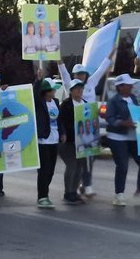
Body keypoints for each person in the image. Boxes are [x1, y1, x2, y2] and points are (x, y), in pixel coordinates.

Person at [59, 59, 111, 198]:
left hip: (87, 135)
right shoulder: (66, 99)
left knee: (86, 162)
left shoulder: (88, 97)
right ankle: (71, 191)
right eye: (78, 74)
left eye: (83, 73)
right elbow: (63, 73)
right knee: (74, 165)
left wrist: (111, 54)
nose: (80, 91)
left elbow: (101, 70)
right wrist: (59, 60)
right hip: (71, 139)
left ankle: (81, 187)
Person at [104, 74, 140, 206]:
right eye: (128, 85)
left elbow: (138, 113)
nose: (131, 87)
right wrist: (123, 123)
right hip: (117, 137)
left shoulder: (133, 98)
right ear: (120, 87)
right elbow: (109, 118)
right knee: (123, 165)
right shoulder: (113, 101)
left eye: (131, 85)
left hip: (134, 137)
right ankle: (119, 194)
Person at [57, 79, 87, 205]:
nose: (79, 90)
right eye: (76, 88)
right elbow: (60, 121)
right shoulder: (65, 105)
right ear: (71, 91)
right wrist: (63, 133)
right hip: (68, 141)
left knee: (80, 166)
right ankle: (68, 192)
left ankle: (74, 191)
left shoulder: (86, 104)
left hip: (82, 141)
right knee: (72, 165)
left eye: (81, 88)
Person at [34, 79, 61, 209]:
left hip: (54, 140)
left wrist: (63, 132)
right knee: (44, 170)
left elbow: (59, 120)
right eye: (53, 89)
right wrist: (39, 80)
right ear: (46, 91)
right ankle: (42, 196)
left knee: (51, 170)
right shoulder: (40, 103)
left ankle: (45, 192)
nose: (55, 91)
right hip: (43, 141)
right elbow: (35, 93)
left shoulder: (56, 102)